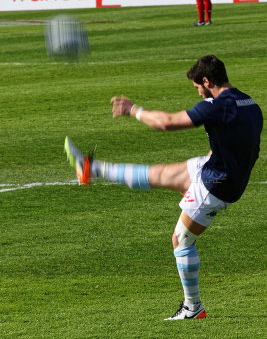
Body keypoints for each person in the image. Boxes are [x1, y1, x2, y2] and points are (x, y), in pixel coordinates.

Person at [64, 55, 263, 320]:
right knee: (159, 174)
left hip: (218, 184)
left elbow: (167, 122)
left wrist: (132, 109)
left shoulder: (216, 105)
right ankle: (91, 169)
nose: (199, 94)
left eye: (198, 88)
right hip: (219, 169)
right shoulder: (249, 102)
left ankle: (193, 308)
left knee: (181, 240)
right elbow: (240, 144)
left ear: (206, 81)